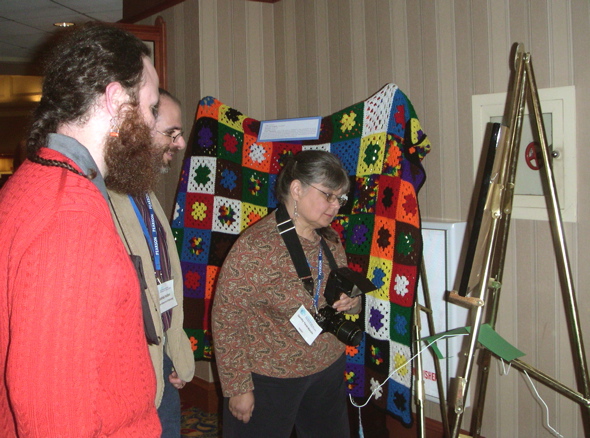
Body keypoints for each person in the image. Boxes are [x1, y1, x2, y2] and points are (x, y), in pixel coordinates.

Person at [0, 22, 162, 436]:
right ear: (115, 99)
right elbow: (52, 416)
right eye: (150, 106)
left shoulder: (34, 180)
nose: (151, 123)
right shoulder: (68, 215)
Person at [212, 150, 362, 437]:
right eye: (328, 195)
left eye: (340, 198)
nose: (336, 206)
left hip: (327, 369)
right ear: (296, 189)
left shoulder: (330, 239)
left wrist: (353, 302)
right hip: (271, 379)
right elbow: (226, 318)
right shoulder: (256, 247)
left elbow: (348, 294)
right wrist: (238, 387)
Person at [108, 88, 195, 437]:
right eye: (172, 133)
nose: (181, 143)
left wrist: (175, 352)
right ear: (139, 129)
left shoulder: (142, 190)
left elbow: (162, 278)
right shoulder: (97, 196)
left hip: (162, 364)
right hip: (127, 376)